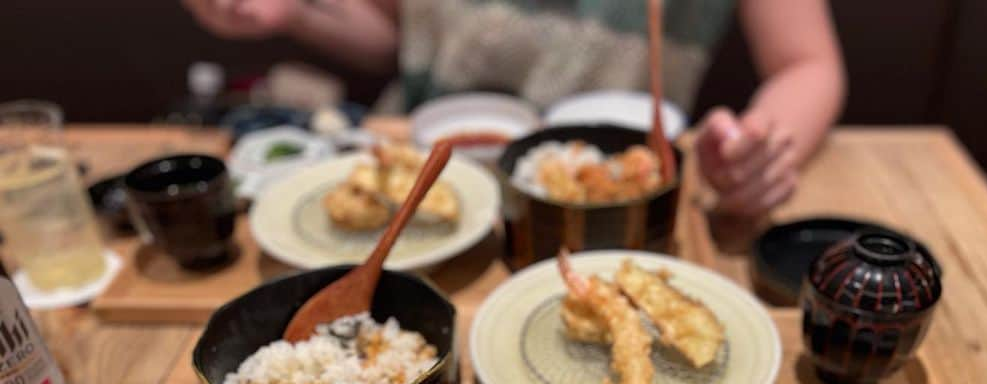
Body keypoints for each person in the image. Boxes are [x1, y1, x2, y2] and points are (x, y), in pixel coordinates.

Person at [183, 0, 844, 217]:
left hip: (611, 199)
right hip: (419, 183)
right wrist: (293, 11)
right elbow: (392, 35)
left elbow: (807, 64)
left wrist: (755, 148)